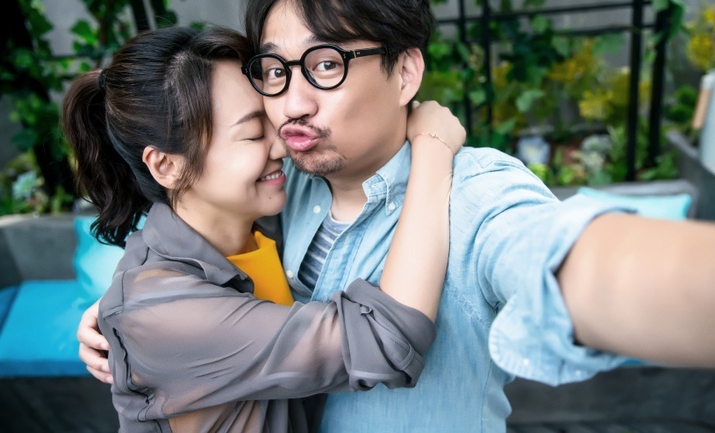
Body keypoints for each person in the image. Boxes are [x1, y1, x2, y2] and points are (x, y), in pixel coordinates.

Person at [79, 0, 715, 433]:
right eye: (276, 72)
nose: (289, 105)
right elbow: (191, 258)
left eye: (325, 65)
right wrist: (123, 322)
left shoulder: (470, 196)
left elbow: (567, 262)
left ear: (406, 73)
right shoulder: (287, 190)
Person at [62, 25, 466, 431]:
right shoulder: (160, 311)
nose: (281, 145)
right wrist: (433, 144)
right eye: (254, 134)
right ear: (167, 165)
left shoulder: (265, 223)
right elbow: (385, 340)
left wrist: (115, 314)